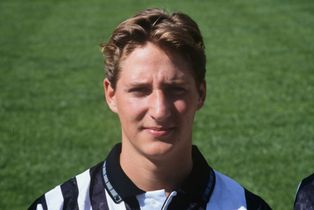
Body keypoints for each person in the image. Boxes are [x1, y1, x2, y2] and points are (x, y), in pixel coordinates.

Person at [29, 8, 271, 210]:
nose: (160, 110)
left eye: (176, 89)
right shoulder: (59, 205)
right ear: (111, 95)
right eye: (140, 90)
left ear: (201, 94)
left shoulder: (246, 206)